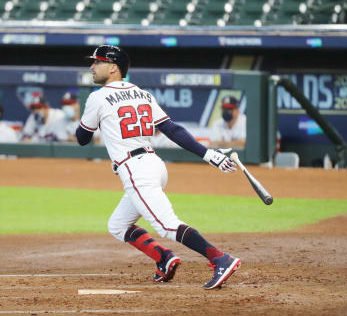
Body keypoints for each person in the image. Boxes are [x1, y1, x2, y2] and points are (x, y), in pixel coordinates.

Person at [75, 45, 241, 290]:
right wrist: (208, 155)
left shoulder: (97, 97)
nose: (92, 66)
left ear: (113, 68)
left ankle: (220, 259)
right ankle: (163, 258)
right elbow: (173, 130)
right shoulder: (143, 94)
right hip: (154, 165)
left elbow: (82, 138)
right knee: (118, 225)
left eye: (97, 62)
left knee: (167, 225)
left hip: (135, 169)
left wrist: (89, 121)